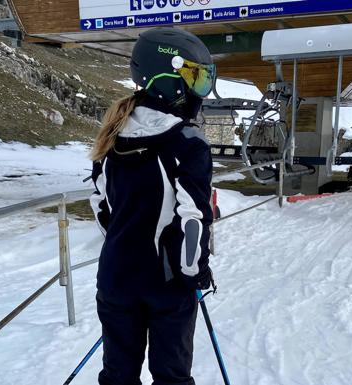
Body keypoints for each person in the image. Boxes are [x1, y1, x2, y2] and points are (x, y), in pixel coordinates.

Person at [89, 28, 216, 385]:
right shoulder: (187, 141)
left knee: (118, 374)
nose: (199, 89)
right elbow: (194, 217)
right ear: (169, 77)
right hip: (167, 280)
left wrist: (124, 240)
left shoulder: (112, 134)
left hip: (116, 276)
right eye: (195, 76)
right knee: (171, 376)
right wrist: (194, 270)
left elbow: (101, 205)